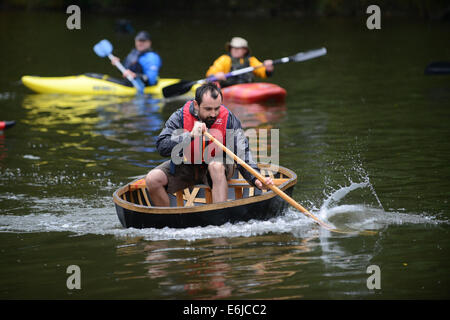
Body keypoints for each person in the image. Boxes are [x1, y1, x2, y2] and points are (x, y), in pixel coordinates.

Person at [145, 82, 273, 206]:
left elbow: (242, 152)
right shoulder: (179, 117)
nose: (213, 114)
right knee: (152, 179)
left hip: (219, 166)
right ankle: (168, 222)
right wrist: (189, 136)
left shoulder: (229, 119)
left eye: (217, 108)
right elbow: (162, 147)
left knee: (215, 166)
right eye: (208, 109)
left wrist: (255, 179)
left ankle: (219, 216)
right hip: (188, 165)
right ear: (196, 105)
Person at [206, 37, 274, 88]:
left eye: (238, 48)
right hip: (229, 88)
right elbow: (211, 72)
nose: (235, 50)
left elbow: (262, 71)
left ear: (245, 50)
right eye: (233, 48)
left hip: (247, 88)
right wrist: (216, 75)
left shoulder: (251, 60)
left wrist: (268, 68)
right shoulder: (224, 59)